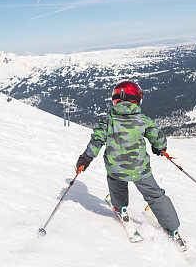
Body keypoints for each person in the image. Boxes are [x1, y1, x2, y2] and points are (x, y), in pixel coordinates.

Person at [75, 81, 185, 249]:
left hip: (115, 168)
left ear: (115, 99)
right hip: (140, 169)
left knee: (117, 185)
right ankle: (173, 228)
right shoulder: (143, 120)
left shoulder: (108, 120)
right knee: (155, 195)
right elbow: (158, 138)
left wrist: (85, 159)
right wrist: (159, 147)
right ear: (137, 100)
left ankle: (121, 208)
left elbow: (96, 141)